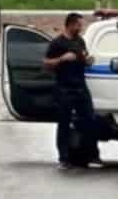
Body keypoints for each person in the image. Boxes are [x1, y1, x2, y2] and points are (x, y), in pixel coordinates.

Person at [43, 12, 101, 170]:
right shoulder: (57, 43)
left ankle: (92, 155)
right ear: (71, 24)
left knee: (89, 119)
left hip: (80, 87)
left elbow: (84, 57)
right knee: (64, 123)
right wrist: (62, 59)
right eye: (79, 25)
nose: (81, 28)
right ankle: (64, 158)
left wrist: (87, 60)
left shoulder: (79, 41)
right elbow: (46, 63)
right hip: (64, 88)